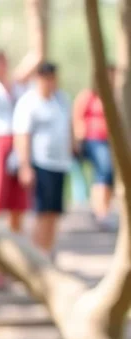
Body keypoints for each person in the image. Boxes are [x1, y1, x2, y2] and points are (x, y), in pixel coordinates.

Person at [0, 49, 37, 289]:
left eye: (3, 62)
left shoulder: (20, 88)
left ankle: (16, 264)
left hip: (18, 146)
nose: (0, 67)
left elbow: (36, 55)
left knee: (17, 209)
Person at [13, 62, 73, 256]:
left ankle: (48, 252)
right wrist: (25, 166)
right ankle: (37, 256)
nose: (49, 82)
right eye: (45, 78)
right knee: (41, 212)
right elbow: (22, 135)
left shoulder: (61, 99)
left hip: (60, 163)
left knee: (54, 212)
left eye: (52, 78)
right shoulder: (29, 102)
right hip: (40, 163)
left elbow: (68, 126)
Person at [73, 64, 117, 230]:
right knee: (103, 171)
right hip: (93, 139)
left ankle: (104, 209)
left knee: (107, 175)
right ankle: (100, 211)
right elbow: (77, 117)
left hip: (109, 141)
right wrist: (78, 141)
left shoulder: (115, 96)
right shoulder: (88, 96)